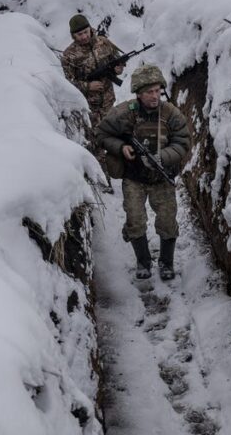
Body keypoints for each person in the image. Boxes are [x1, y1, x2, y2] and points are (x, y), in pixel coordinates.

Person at [95, 65, 191, 280]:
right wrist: (121, 148)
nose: (155, 96)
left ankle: (166, 263)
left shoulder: (170, 113)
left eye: (158, 90)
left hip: (161, 177)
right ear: (139, 93)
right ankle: (143, 262)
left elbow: (183, 141)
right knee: (135, 220)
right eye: (149, 92)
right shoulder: (123, 113)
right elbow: (101, 133)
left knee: (167, 221)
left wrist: (163, 157)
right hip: (134, 178)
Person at [60, 14, 123, 189]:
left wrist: (118, 69)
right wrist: (87, 86)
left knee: (112, 135)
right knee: (96, 142)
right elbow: (65, 84)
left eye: (86, 32)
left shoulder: (103, 42)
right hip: (89, 106)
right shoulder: (69, 55)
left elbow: (116, 61)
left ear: (90, 29)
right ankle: (103, 182)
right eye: (79, 35)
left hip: (108, 101)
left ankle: (117, 170)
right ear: (73, 36)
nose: (84, 37)